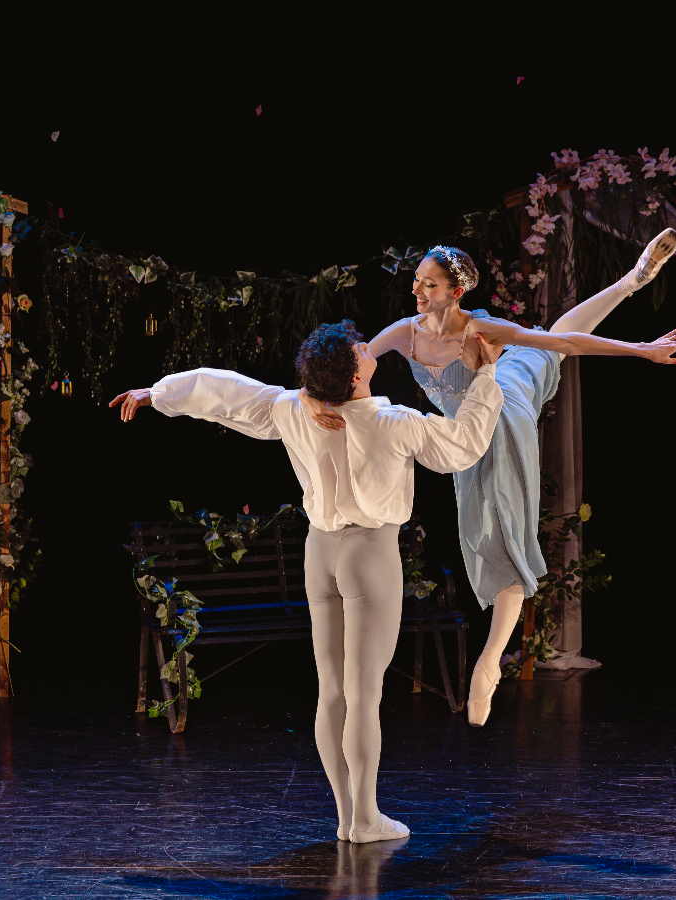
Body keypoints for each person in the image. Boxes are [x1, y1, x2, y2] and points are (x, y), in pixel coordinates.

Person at [110, 321, 504, 843]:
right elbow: (463, 445)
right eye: (362, 350)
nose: (369, 349)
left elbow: (222, 392)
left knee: (333, 693)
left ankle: (348, 816)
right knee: (363, 695)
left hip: (320, 555)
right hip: (369, 553)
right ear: (357, 375)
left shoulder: (294, 409)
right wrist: (487, 375)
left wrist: (156, 394)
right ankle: (363, 817)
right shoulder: (392, 421)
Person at [304, 229, 676, 726]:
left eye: (430, 285)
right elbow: (351, 363)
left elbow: (568, 341)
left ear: (457, 291)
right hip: (473, 419)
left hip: (499, 418)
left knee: (503, 531)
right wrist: (313, 396)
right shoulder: (406, 330)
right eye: (417, 282)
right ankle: (631, 280)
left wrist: (639, 350)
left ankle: (489, 664)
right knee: (545, 354)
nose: (418, 292)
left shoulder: (482, 333)